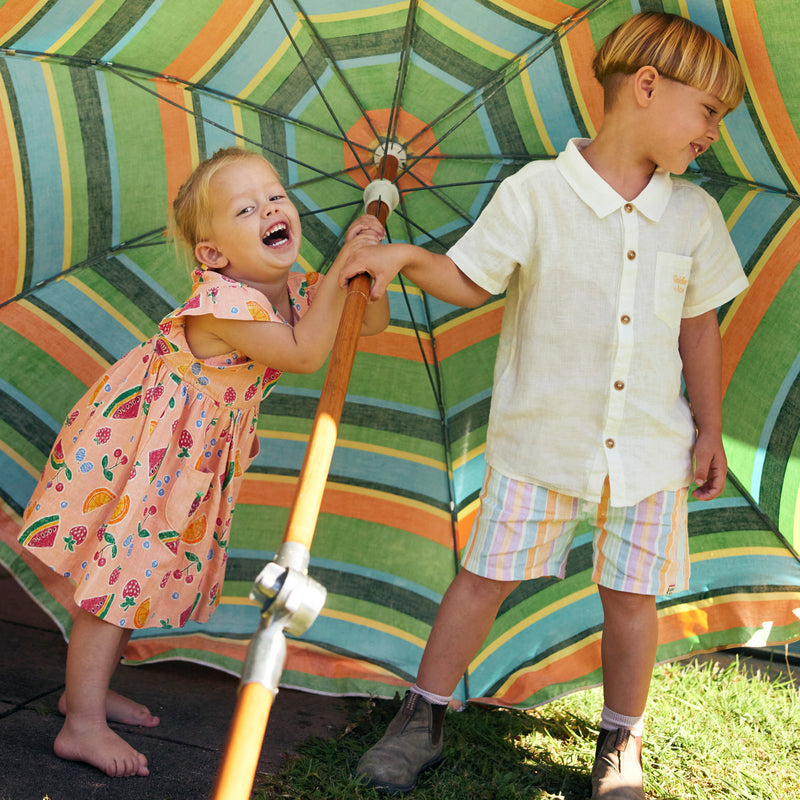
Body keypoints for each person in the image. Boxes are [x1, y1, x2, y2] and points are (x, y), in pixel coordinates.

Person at [340, 12, 748, 799]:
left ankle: (621, 743)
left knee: (634, 599)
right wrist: (403, 257)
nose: (713, 134)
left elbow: (700, 328)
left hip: (649, 449)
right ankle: (420, 716)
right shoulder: (536, 193)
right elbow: (469, 280)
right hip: (541, 439)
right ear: (647, 87)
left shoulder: (694, 216)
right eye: (708, 111)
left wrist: (711, 428)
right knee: (483, 577)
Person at [16, 147, 389, 778]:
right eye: (247, 208)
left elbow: (364, 321)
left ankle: (90, 690)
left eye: (275, 196)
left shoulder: (296, 288)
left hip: (184, 456)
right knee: (114, 585)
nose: (271, 209)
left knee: (138, 574)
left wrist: (366, 264)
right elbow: (302, 352)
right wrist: (343, 265)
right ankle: (81, 723)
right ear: (214, 254)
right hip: (143, 450)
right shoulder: (224, 302)